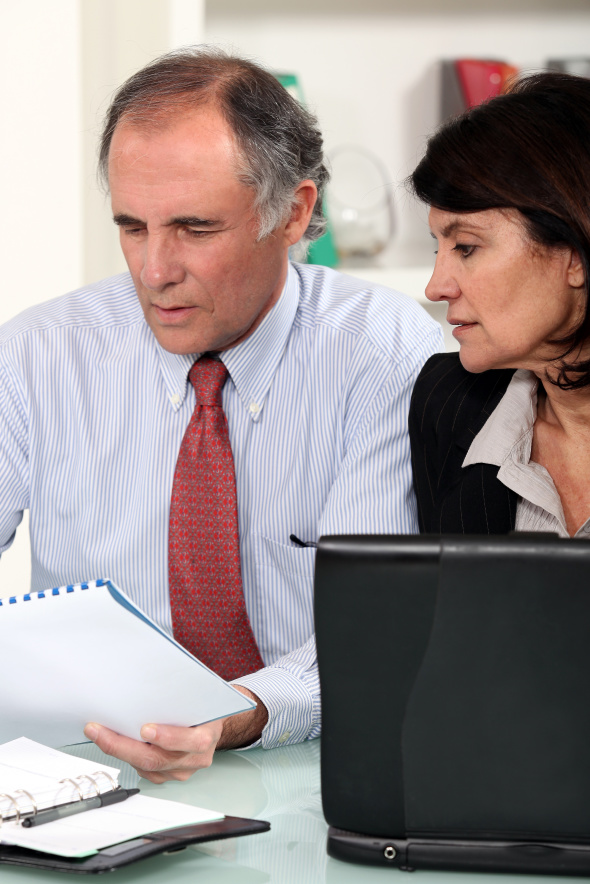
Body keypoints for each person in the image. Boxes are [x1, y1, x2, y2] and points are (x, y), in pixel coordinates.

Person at [0, 47, 442, 780]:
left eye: (195, 229)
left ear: (294, 214)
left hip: (317, 763)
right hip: (89, 772)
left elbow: (377, 629)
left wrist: (239, 711)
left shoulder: (388, 357)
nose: (154, 269)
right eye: (132, 226)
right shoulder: (36, 354)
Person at [408, 71, 590, 537]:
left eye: (466, 247)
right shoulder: (447, 402)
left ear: (576, 257)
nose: (436, 287)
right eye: (438, 249)